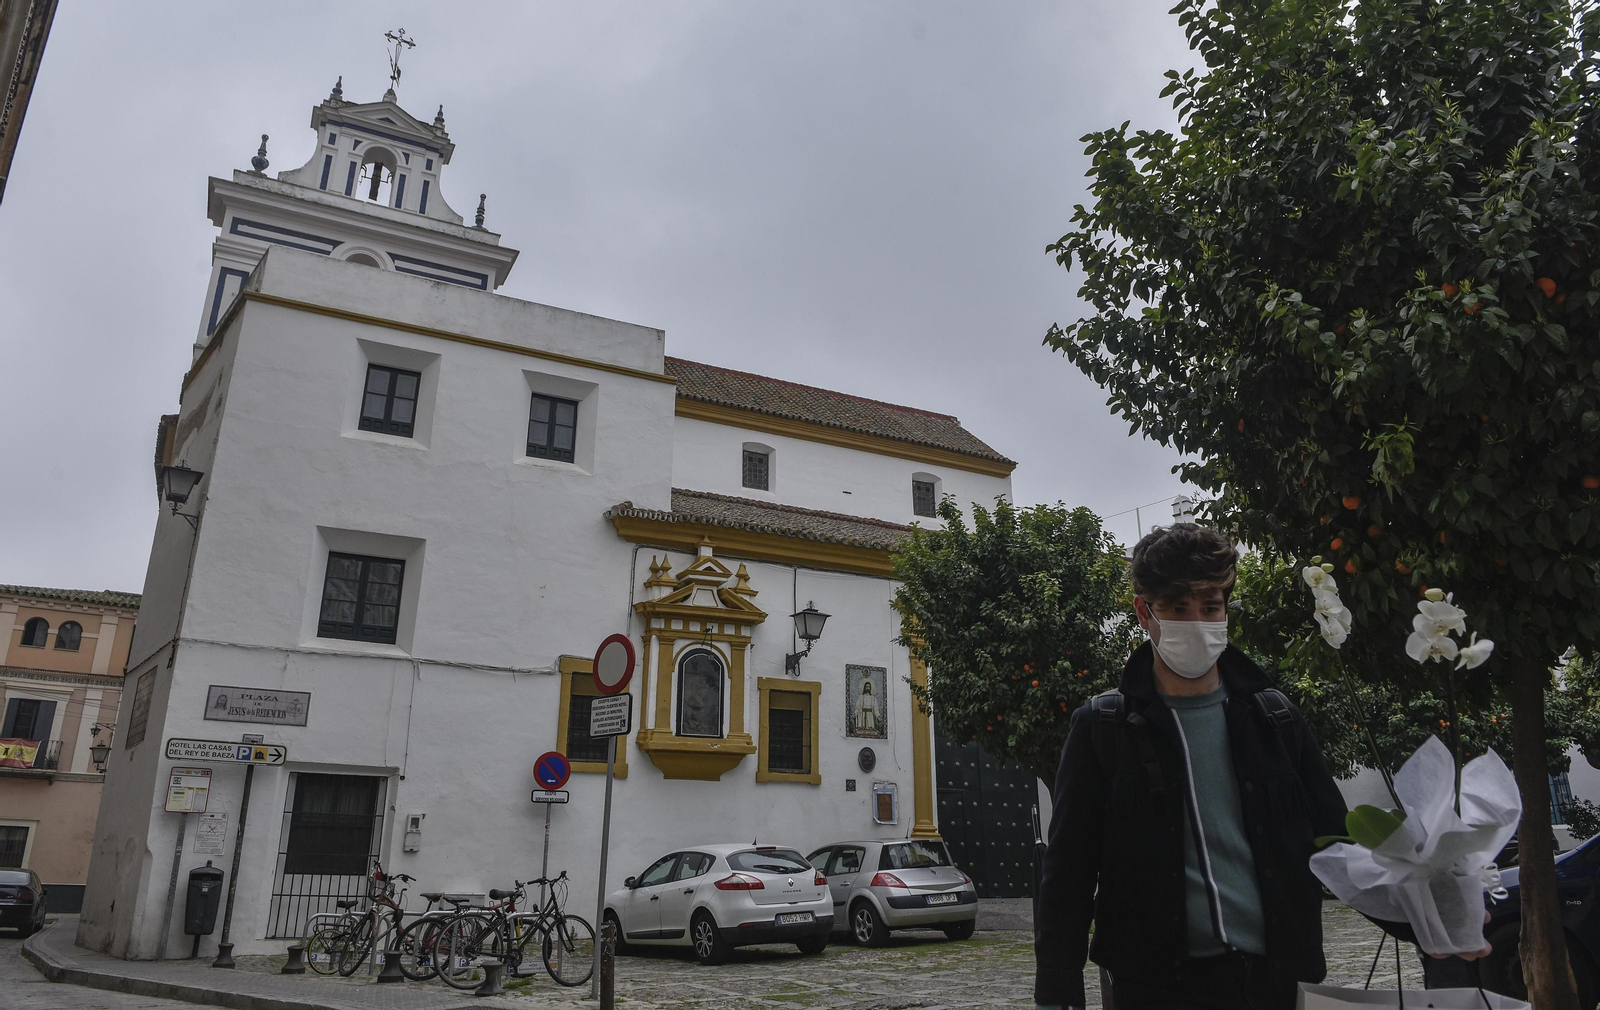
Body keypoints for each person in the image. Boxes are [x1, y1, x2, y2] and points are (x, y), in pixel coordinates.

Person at [1034, 523, 1350, 1010]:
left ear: (1226, 610)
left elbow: (1340, 842)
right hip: (1157, 989)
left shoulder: (1275, 720)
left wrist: (1427, 922)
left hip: (1279, 983)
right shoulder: (1104, 728)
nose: (1197, 622)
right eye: (1178, 608)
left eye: (1210, 607)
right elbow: (1069, 873)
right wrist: (1057, 993)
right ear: (1145, 612)